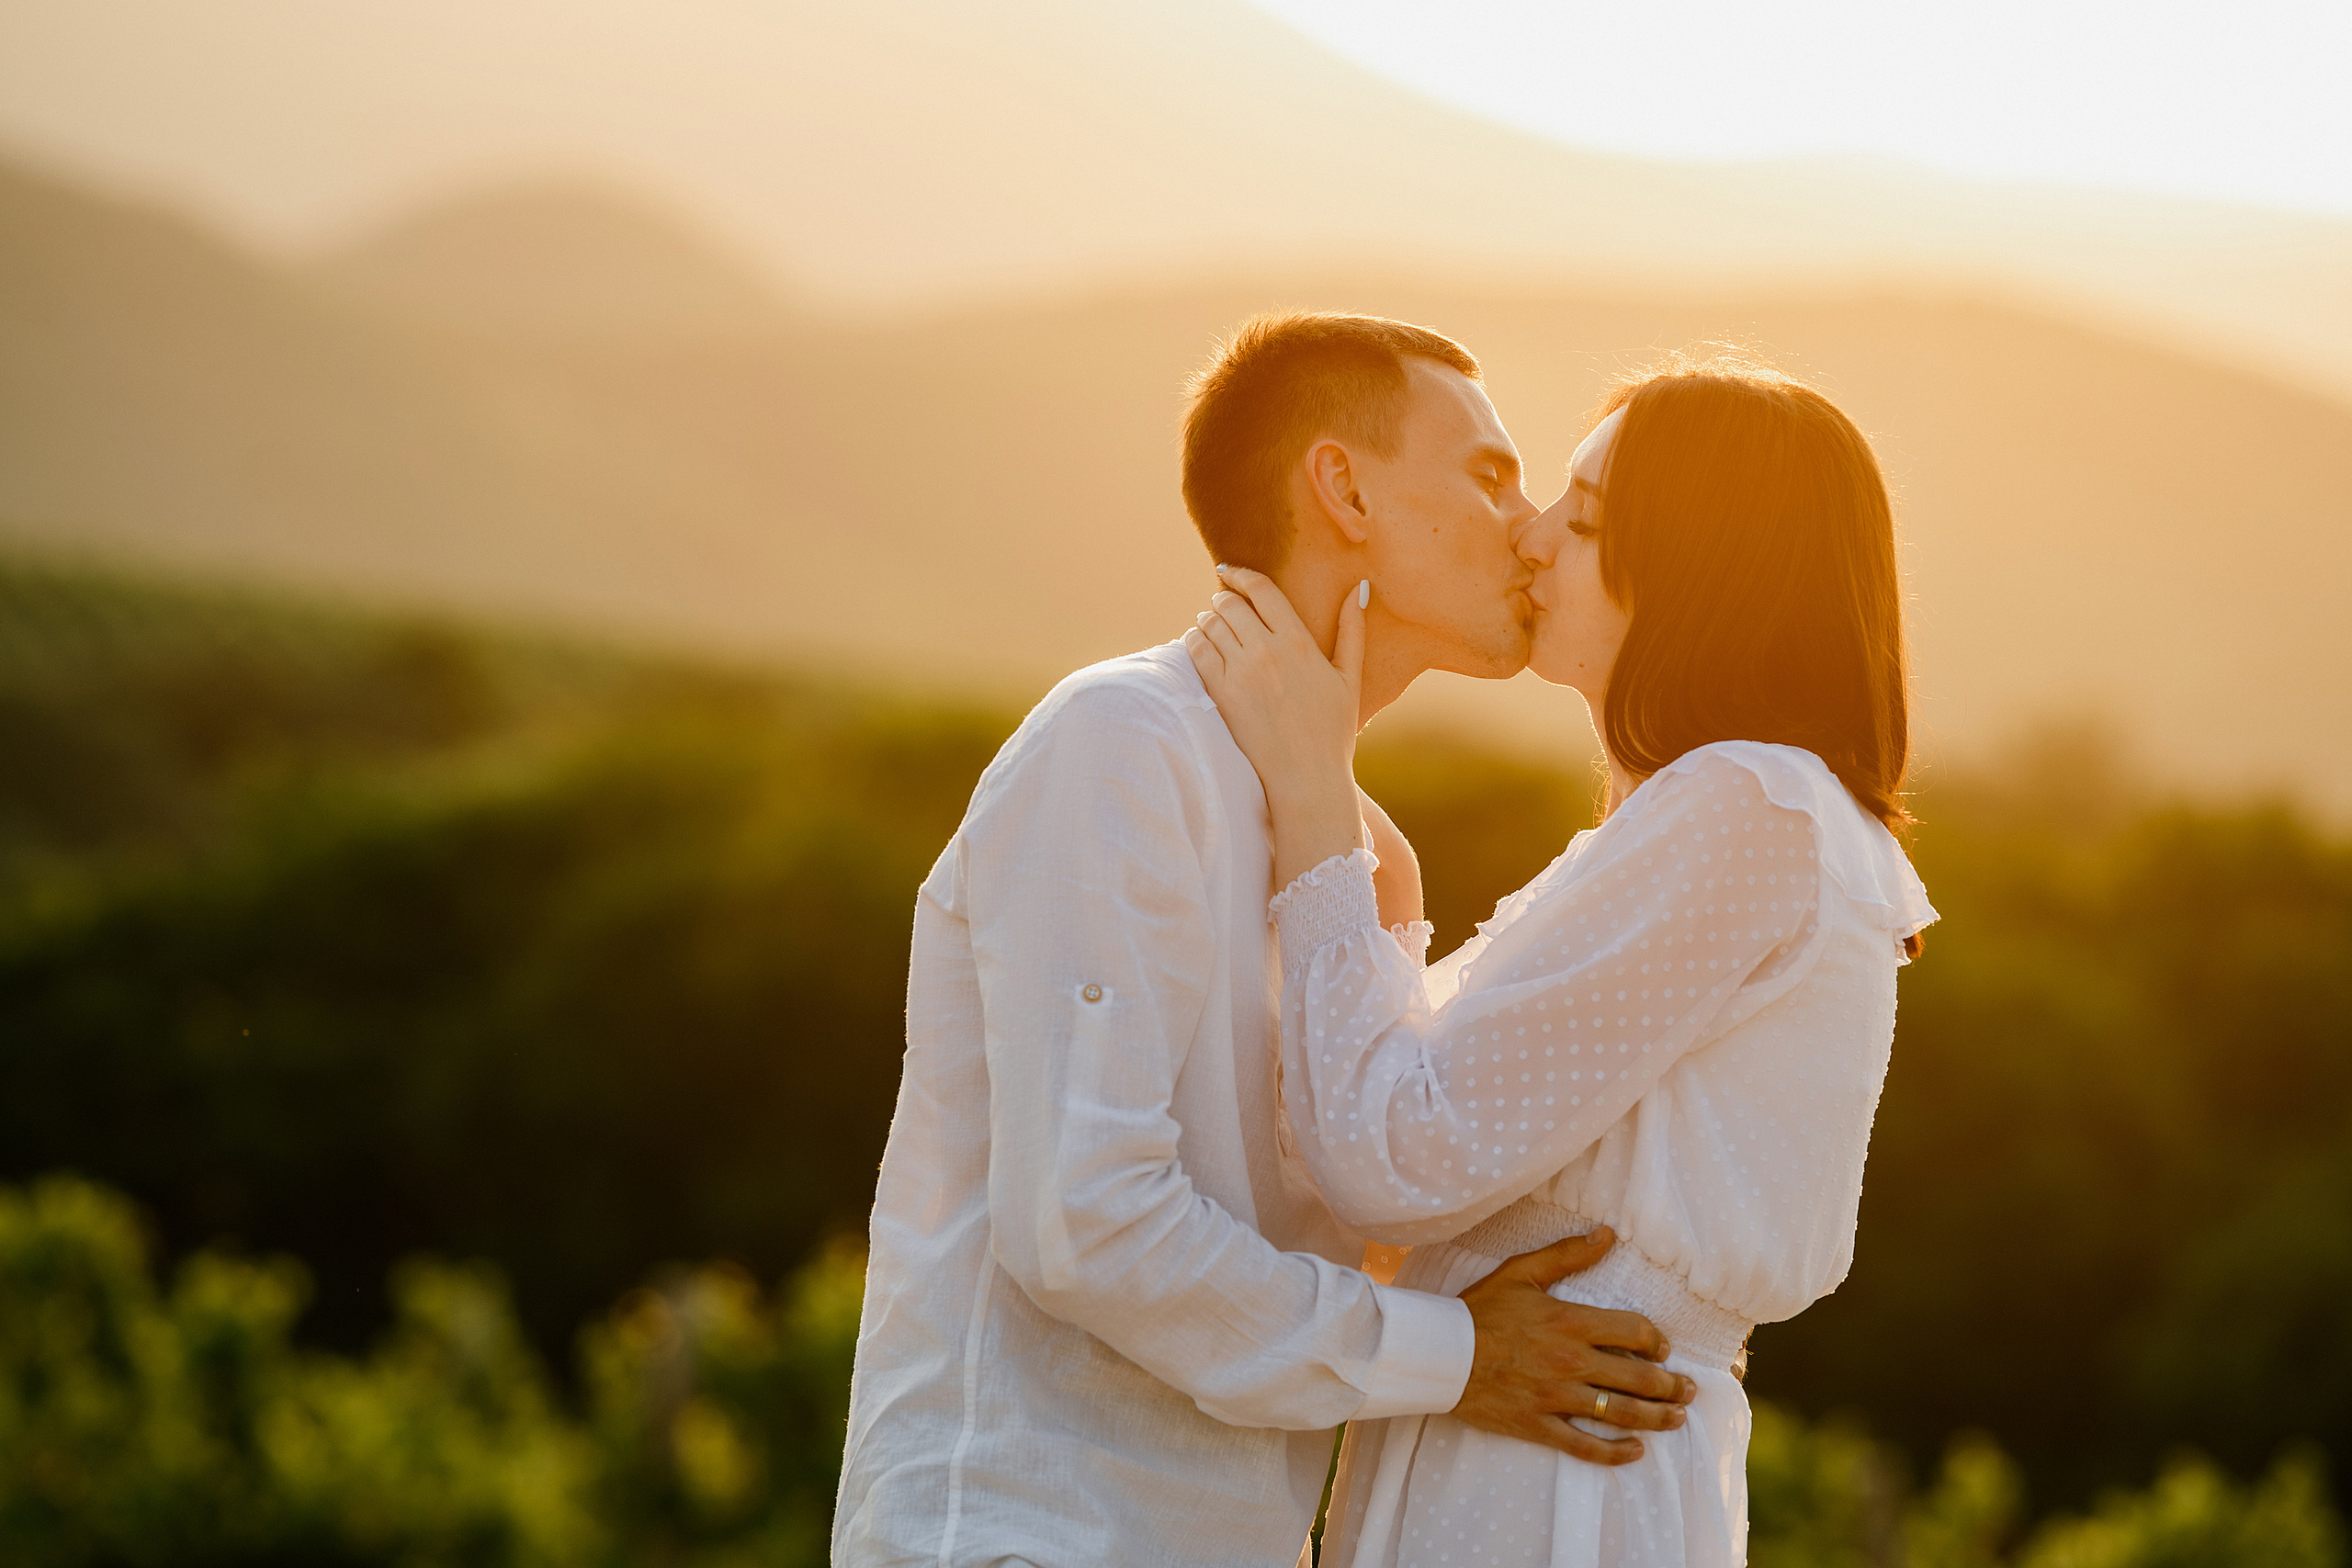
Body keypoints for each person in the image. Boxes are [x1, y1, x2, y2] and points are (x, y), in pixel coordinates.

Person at [831, 312, 1696, 1568]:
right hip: (1035, 1537)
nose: (1528, 524)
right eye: (1490, 474)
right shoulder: (1123, 746)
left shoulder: (1367, 860)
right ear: (1341, 486)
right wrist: (1455, 1357)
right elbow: (1088, 1223)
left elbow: (1365, 1213)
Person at [1186, 357, 1937, 1567]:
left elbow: (1394, 1157)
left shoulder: (1747, 811)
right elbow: (1391, 1144)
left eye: (1584, 520)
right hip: (1531, 1443)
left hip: (1554, 1475)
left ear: (1702, 570)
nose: (1531, 539)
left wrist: (1315, 796)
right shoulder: (1714, 823)